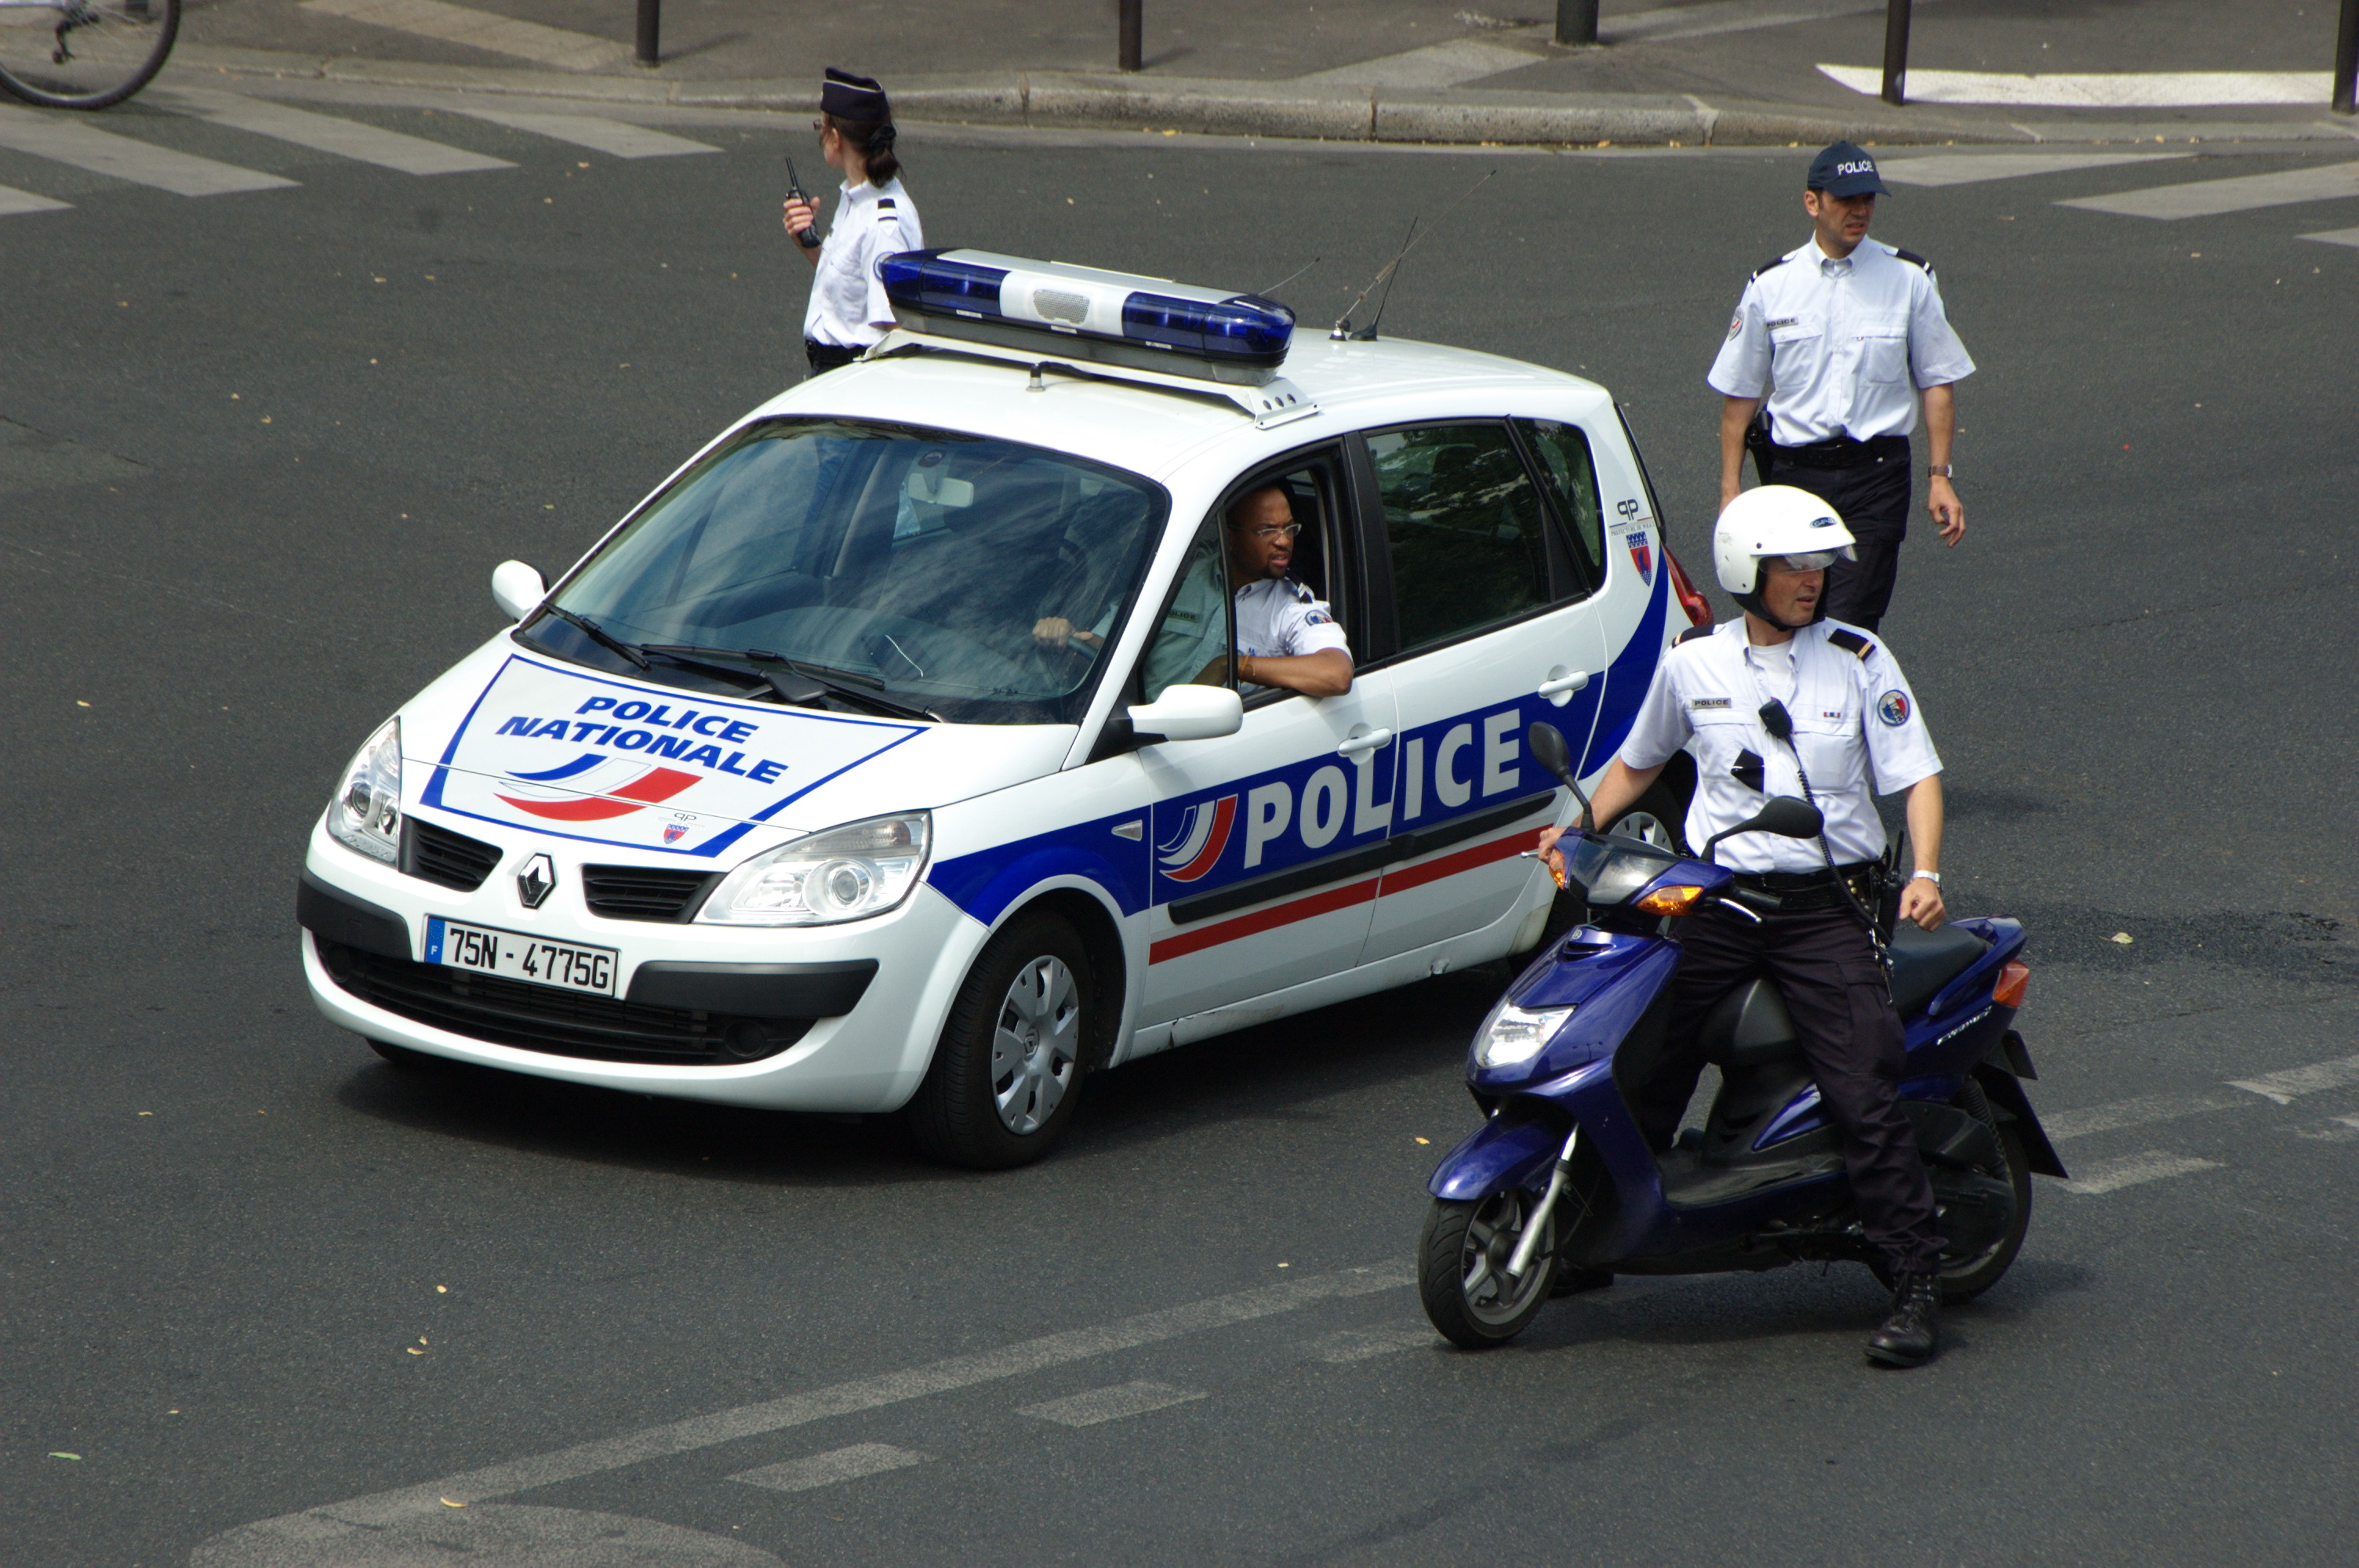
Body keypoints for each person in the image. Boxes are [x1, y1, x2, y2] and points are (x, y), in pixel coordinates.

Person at [1536, 485, 1953, 1368]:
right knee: (1640, 1046)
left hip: (1824, 905)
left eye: (1818, 565)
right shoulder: (1693, 664)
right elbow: (1640, 761)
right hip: (1719, 897)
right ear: (1744, 573)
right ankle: (1597, 1229)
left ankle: (1915, 1272)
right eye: (1794, 565)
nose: (1813, 581)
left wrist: (1922, 872)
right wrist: (1576, 831)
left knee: (1859, 1086)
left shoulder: (1858, 658)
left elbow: (1914, 775)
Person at [1708, 141, 1975, 632]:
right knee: (1791, 621)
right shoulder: (1771, 285)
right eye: (1847, 200)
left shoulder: (1909, 279)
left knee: (1848, 625)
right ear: (1813, 203)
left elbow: (1938, 380)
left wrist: (1941, 475)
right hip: (1794, 478)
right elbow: (1740, 394)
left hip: (1876, 478)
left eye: (1868, 200)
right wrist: (1731, 490)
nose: (1860, 211)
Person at [1041, 484, 1352, 699]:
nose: (1283, 541)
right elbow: (1109, 648)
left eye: (1288, 529)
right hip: (1133, 736)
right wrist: (1067, 635)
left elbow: (1335, 674)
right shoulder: (1178, 578)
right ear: (1229, 537)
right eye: (1266, 531)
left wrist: (1233, 666)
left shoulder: (1290, 607)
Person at [783, 67, 922, 377]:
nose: (819, 134)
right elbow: (852, 293)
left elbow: (894, 335)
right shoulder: (857, 198)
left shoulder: (883, 222)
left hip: (851, 377)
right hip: (832, 371)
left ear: (835, 138)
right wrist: (808, 246)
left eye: (821, 125)